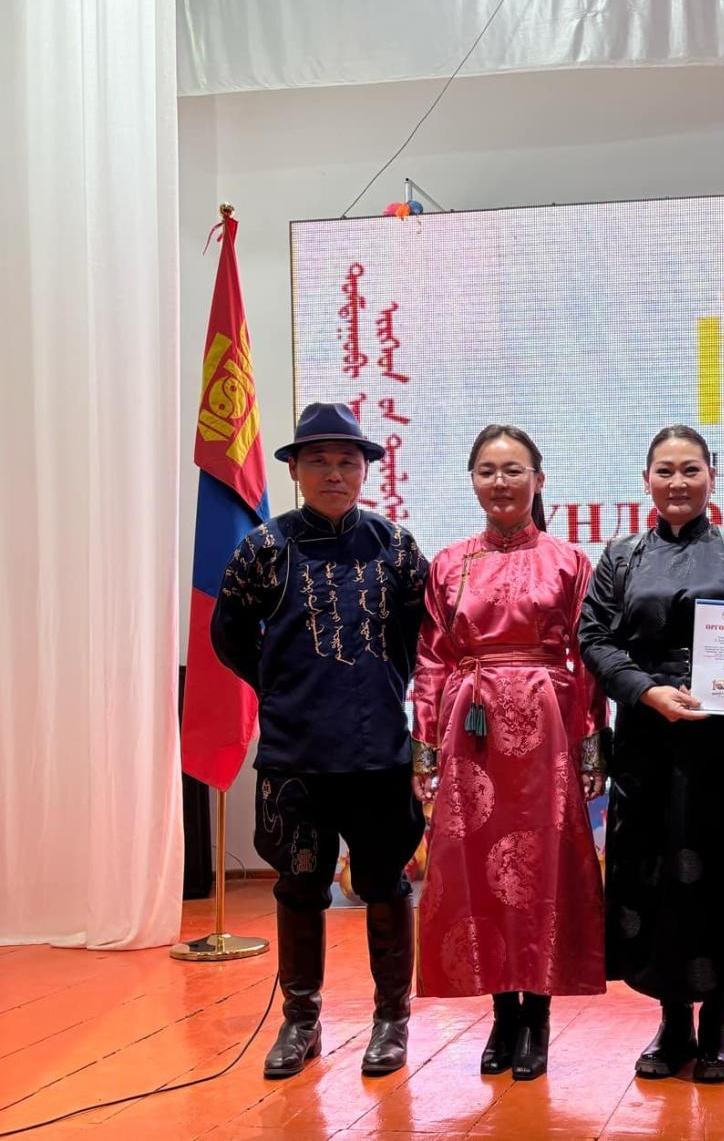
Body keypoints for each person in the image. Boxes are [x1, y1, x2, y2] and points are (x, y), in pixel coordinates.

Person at [209, 402, 429, 1080]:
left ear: (365, 470)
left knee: (385, 883)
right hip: (295, 754)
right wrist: (281, 687)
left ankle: (391, 1020)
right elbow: (228, 635)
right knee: (299, 886)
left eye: (346, 462)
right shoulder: (263, 547)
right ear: (295, 470)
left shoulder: (396, 547)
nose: (334, 473)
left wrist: (378, 686)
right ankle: (300, 1022)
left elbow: (418, 636)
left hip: (377, 751)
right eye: (319, 461)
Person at [578, 424, 724, 1084]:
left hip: (723, 747)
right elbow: (593, 638)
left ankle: (717, 1025)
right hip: (647, 742)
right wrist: (646, 691)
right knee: (654, 880)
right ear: (646, 480)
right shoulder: (620, 556)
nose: (677, 482)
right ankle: (672, 1023)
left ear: (711, 478)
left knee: (721, 878)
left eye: (690, 470)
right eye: (664, 471)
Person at [411, 425, 606, 1081]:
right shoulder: (449, 563)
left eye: (514, 470)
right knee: (478, 867)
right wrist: (425, 745)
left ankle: (538, 1014)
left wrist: (591, 742)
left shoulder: (569, 560)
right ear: (472, 481)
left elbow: (588, 659)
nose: (501, 482)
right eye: (488, 471)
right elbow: (432, 659)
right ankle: (502, 1013)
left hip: (548, 725)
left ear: (538, 480)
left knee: (541, 867)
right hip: (472, 731)